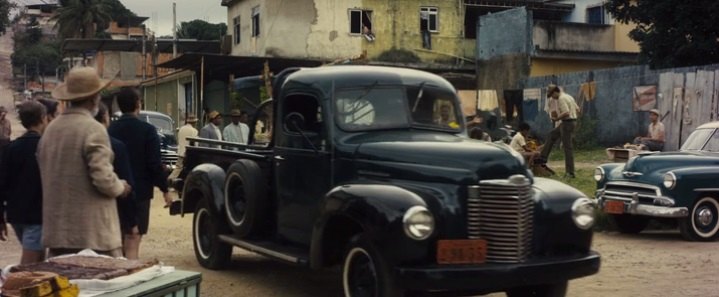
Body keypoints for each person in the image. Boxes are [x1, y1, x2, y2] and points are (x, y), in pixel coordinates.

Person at [37, 66, 132, 257]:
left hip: (57, 233)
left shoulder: (51, 130)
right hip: (93, 234)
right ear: (94, 98)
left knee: (64, 283)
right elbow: (103, 178)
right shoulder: (93, 129)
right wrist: (121, 187)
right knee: (104, 283)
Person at [108, 87, 173, 259]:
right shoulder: (147, 130)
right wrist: (165, 190)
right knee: (134, 235)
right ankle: (130, 270)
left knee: (119, 234)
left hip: (114, 189)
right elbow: (154, 164)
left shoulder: (109, 130)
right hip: (141, 191)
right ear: (138, 104)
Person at [0, 101, 48, 264]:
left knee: (39, 262)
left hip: (15, 214)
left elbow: (2, 182)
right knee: (29, 264)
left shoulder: (12, 148)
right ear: (43, 118)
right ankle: (17, 288)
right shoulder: (45, 146)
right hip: (37, 214)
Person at [95, 103, 139, 259]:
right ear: (105, 118)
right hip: (114, 210)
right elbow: (125, 185)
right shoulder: (114, 145)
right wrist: (132, 219)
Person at [539, 84, 578, 178]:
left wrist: (556, 119)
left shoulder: (561, 99)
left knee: (567, 148)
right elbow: (578, 109)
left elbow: (566, 112)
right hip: (569, 122)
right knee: (552, 135)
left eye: (552, 95)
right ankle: (542, 158)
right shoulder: (569, 96)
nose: (553, 98)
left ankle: (570, 173)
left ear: (555, 92)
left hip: (567, 123)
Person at [168, 114, 198, 182]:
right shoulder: (194, 131)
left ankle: (170, 180)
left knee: (178, 167)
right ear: (194, 122)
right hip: (188, 153)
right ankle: (171, 180)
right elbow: (194, 143)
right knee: (188, 169)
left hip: (180, 151)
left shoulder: (181, 129)